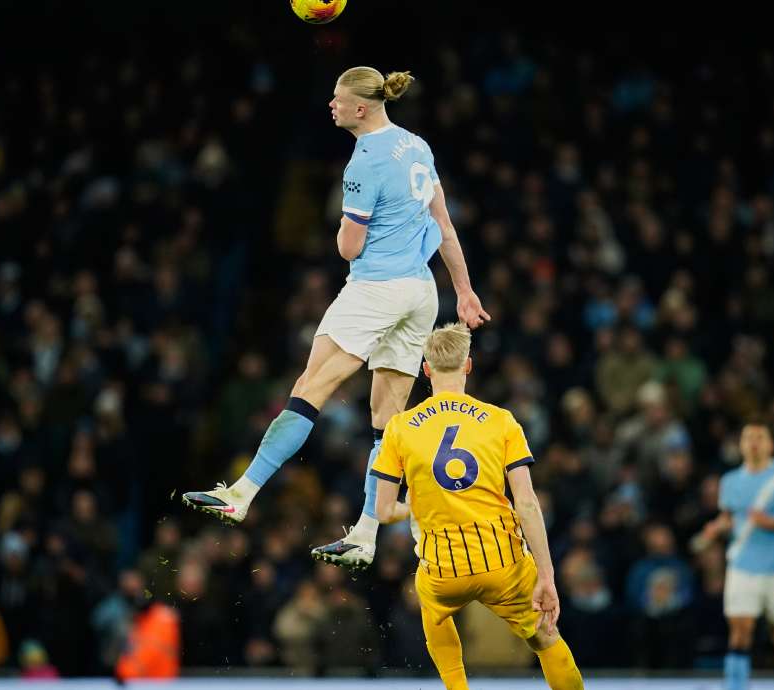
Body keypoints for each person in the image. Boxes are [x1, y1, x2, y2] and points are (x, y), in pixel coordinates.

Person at [182, 66, 489, 571]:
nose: (331, 105)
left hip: (374, 290)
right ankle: (366, 534)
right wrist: (465, 291)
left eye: (337, 99)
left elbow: (349, 247)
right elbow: (444, 224)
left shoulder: (363, 161)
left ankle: (242, 491)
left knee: (310, 387)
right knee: (385, 422)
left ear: (360, 109)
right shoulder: (417, 146)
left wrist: (344, 234)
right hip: (421, 292)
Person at [370, 323, 582, 689]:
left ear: (426, 370)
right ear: (468, 365)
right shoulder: (502, 421)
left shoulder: (399, 428)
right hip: (502, 561)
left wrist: (415, 506)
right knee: (546, 638)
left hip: (444, 568)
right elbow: (527, 505)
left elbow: (384, 511)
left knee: (432, 609)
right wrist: (546, 576)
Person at [694, 418, 774, 690]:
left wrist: (771, 523)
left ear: (771, 444)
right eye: (749, 438)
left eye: (760, 437)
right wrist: (716, 529)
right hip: (742, 566)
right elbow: (730, 518)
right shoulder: (730, 481)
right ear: (741, 444)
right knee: (740, 629)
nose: (754, 443)